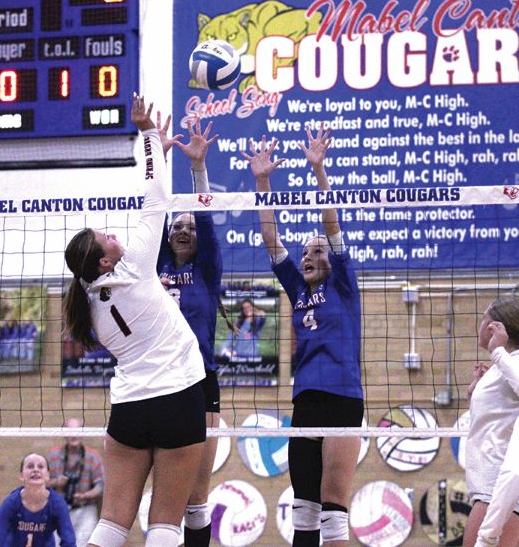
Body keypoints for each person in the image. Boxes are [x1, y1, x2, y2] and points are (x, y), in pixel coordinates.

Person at [63, 94, 206, 547]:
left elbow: (149, 196)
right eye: (105, 237)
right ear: (105, 262)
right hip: (178, 398)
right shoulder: (136, 267)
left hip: (128, 409)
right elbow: (155, 196)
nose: (113, 234)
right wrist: (148, 136)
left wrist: (154, 148)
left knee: (111, 524)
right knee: (164, 524)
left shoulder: (88, 305)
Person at [241, 128, 363, 547]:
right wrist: (262, 181)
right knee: (304, 510)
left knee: (333, 511)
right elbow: (271, 240)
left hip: (343, 398)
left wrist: (318, 170)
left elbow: (331, 224)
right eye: (305, 252)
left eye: (317, 251)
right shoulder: (298, 291)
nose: (308, 256)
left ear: (333, 258)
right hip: (306, 399)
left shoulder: (344, 284)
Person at [155, 117, 223, 546]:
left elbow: (206, 218)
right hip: (158, 379)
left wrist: (197, 167)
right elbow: (153, 212)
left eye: (189, 227)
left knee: (197, 499)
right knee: (165, 498)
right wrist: (158, 157)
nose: (183, 230)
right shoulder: (155, 267)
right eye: (177, 226)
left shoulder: (207, 269)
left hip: (200, 381)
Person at [463, 297, 519, 547]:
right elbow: (489, 420)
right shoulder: (502, 365)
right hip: (488, 486)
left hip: (498, 486)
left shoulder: (511, 360)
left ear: (494, 327)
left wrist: (497, 351)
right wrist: (475, 390)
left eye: (483, 319)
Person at [0, 452, 76, 547]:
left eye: (40, 466)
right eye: (30, 466)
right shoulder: (11, 502)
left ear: (48, 475)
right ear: (21, 475)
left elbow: (69, 542)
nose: (35, 470)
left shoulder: (57, 504)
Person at [48, 418, 104, 547]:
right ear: (64, 434)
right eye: (70, 431)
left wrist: (85, 495)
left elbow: (100, 486)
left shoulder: (93, 456)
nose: (74, 435)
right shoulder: (53, 455)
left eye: (77, 431)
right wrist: (56, 482)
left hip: (85, 508)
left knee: (85, 542)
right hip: (59, 509)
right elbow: (43, 483)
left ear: (83, 433)